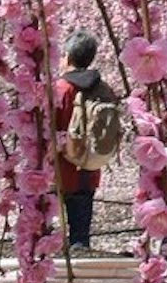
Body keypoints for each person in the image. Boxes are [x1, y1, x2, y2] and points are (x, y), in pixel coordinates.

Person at [49, 34, 126, 252]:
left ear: (66, 57)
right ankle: (82, 274)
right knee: (80, 239)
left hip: (59, 167)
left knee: (43, 231)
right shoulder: (102, 89)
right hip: (89, 166)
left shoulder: (60, 89)